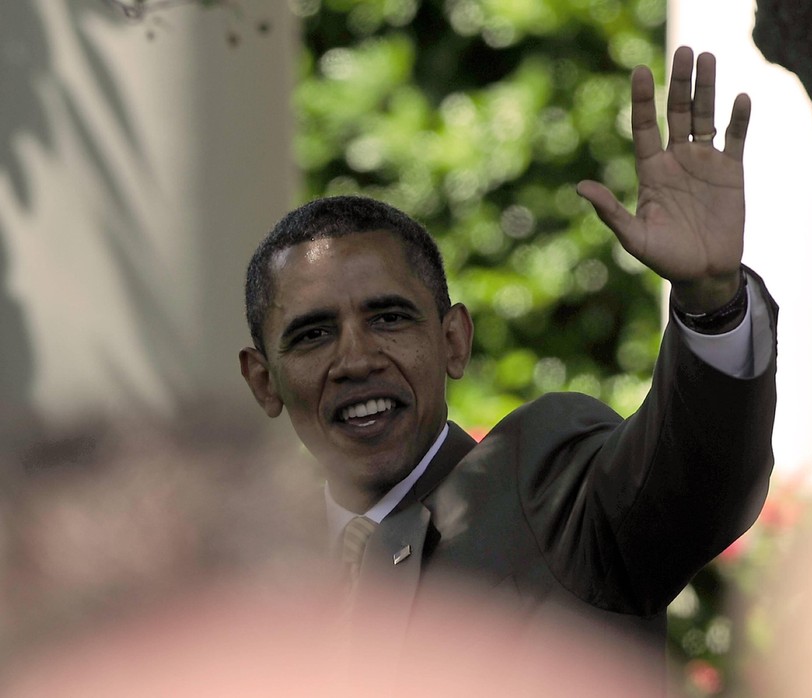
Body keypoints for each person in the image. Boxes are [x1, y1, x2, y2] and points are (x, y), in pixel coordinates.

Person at [238, 46, 777, 656]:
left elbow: (695, 483)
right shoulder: (245, 573)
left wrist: (712, 302)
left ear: (453, 341)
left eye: (389, 318)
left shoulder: (543, 483)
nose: (356, 359)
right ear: (263, 381)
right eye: (313, 334)